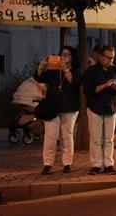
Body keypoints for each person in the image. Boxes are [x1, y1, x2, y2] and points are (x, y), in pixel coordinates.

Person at [34, 45, 83, 174]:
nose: (64, 56)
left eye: (67, 54)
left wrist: (65, 69)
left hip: (69, 107)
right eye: (63, 54)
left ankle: (67, 163)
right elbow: (39, 78)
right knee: (50, 136)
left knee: (67, 136)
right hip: (52, 106)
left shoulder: (77, 71)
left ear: (73, 57)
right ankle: (47, 164)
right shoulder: (53, 70)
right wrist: (42, 65)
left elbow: (74, 82)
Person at [83, 44, 116, 174]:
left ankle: (108, 164)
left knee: (109, 139)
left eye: (113, 58)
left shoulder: (115, 70)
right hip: (95, 108)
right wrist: (105, 85)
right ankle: (96, 165)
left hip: (111, 108)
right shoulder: (91, 71)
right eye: (108, 57)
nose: (111, 61)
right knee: (96, 139)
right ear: (101, 56)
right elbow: (88, 91)